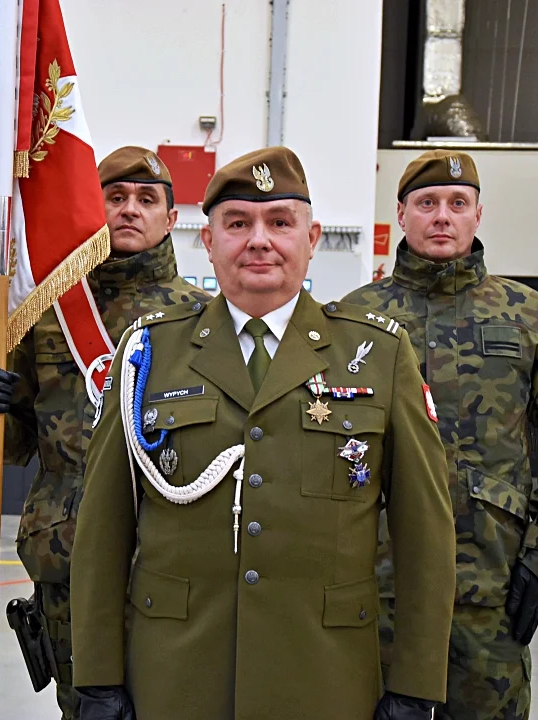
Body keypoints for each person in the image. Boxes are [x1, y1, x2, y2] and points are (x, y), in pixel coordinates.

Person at [70, 146, 457, 720]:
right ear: (207, 241)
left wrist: (416, 686)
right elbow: (103, 528)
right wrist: (97, 677)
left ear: (312, 237)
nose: (258, 240)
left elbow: (425, 534)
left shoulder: (377, 354)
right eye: (237, 223)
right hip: (176, 676)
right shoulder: (147, 352)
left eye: (279, 221)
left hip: (326, 678)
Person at [343, 149, 538, 720]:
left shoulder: (528, 317)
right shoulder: (352, 318)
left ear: (477, 216)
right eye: (427, 203)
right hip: (372, 592)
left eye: (457, 204)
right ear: (402, 213)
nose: (442, 216)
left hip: (489, 589)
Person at [0, 147, 210, 719]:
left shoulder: (206, 320)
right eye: (114, 198)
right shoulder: (45, 314)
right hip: (68, 555)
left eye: (147, 200)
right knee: (83, 709)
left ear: (172, 219)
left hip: (174, 558)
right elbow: (18, 440)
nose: (129, 210)